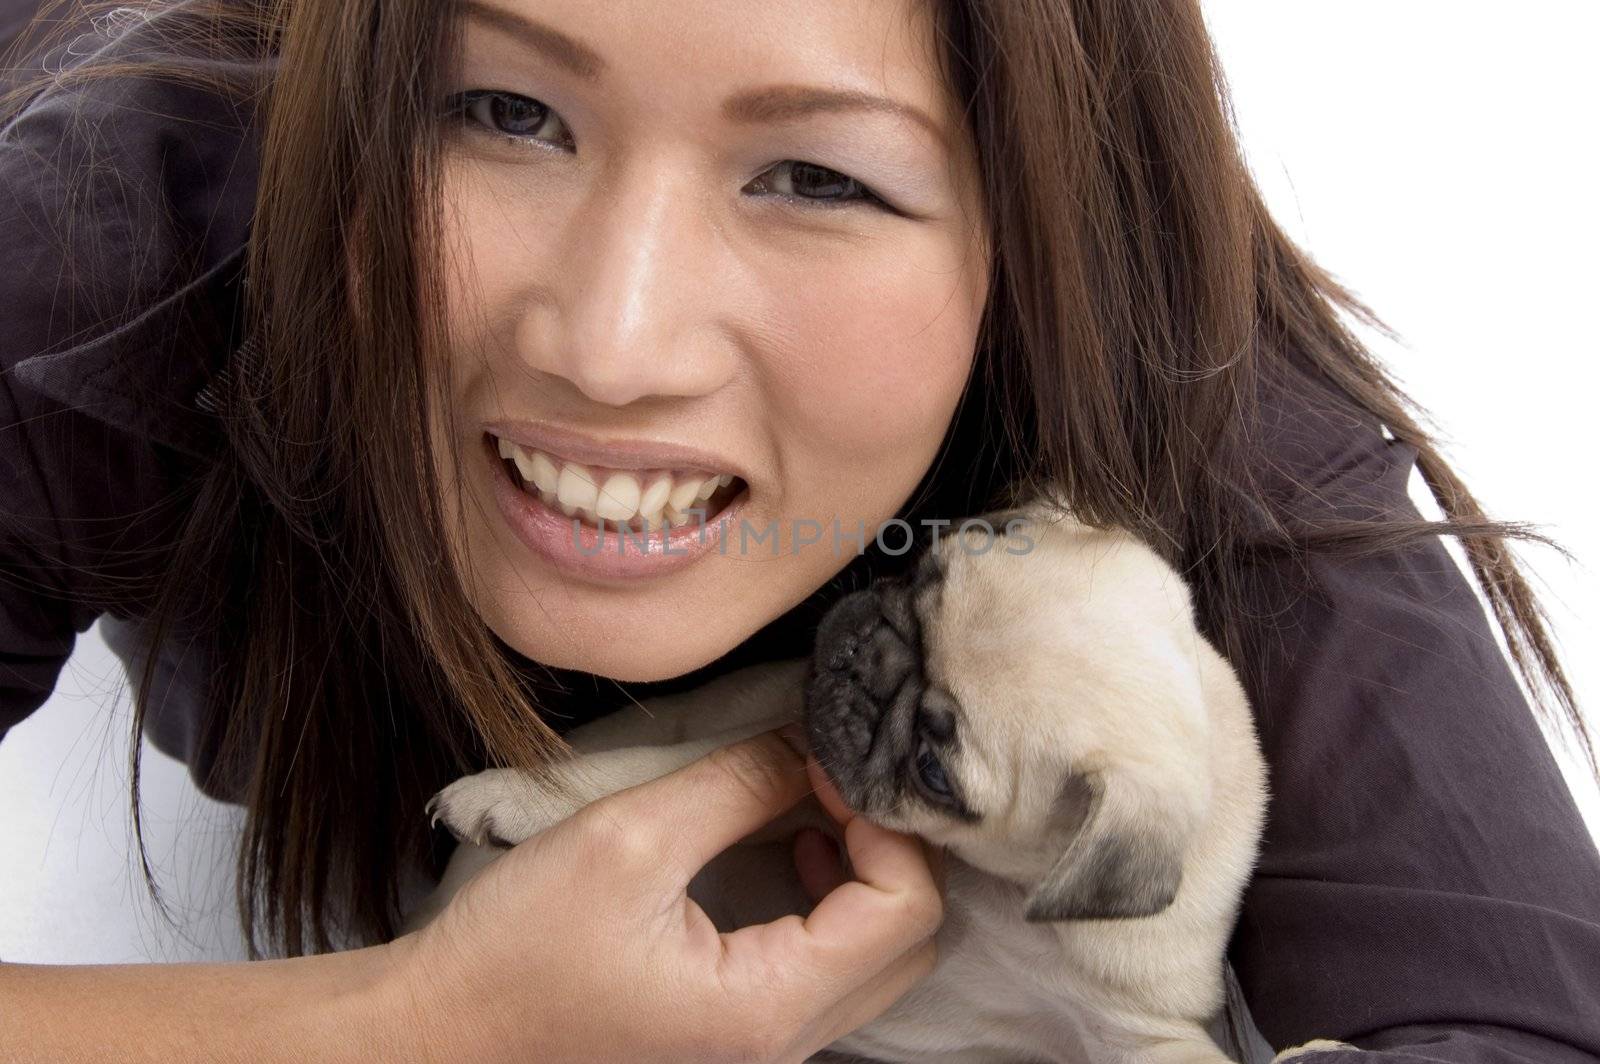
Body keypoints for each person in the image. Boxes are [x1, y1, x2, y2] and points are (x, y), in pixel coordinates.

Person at [1, 0, 1597, 1061]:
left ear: (1049, 242)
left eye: (818, 176)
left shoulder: (1169, 376)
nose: (611, 345)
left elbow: (1508, 1023)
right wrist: (420, 1021)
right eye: (501, 110)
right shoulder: (106, 238)